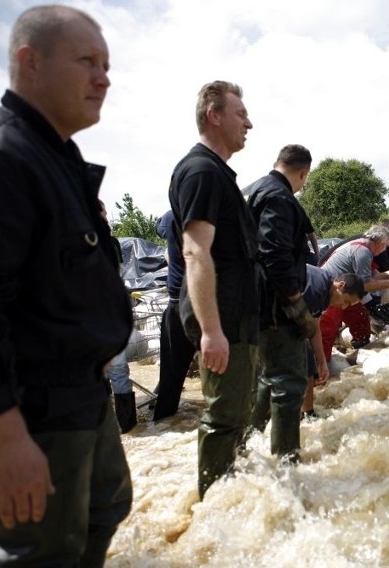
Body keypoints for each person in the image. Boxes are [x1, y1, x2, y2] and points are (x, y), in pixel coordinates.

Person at [0, 5, 133, 566]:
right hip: (31, 408)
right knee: (41, 553)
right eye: (87, 61)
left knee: (104, 510)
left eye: (107, 65)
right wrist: (4, 436)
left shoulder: (56, 159)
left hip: (81, 394)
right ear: (29, 62)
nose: (103, 78)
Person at [169, 80, 258, 498]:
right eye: (241, 114)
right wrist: (211, 331)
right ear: (214, 115)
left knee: (239, 414)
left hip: (236, 318)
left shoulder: (218, 173)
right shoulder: (202, 171)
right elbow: (195, 252)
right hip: (220, 319)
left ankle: (234, 498)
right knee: (225, 418)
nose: (249, 123)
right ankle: (215, 512)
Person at [244, 144, 317, 461]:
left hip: (258, 305)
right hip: (275, 308)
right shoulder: (279, 197)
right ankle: (288, 463)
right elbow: (274, 255)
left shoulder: (260, 189)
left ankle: (246, 442)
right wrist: (297, 304)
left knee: (268, 377)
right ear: (303, 172)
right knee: (290, 383)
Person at [319, 225, 389, 361]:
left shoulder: (364, 248)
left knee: (360, 318)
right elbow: (365, 285)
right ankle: (321, 367)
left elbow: (372, 277)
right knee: (328, 329)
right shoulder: (363, 252)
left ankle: (360, 349)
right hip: (332, 293)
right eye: (384, 246)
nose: (385, 250)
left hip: (347, 292)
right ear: (378, 243)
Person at [298, 269, 366, 419]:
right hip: (270, 319)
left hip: (289, 320)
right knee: (298, 363)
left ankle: (307, 413)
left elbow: (315, 328)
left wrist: (322, 362)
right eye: (346, 301)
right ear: (340, 285)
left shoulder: (325, 294)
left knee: (309, 362)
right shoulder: (317, 287)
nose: (343, 307)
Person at [152, 209, 197, 421]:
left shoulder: (170, 217)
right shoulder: (212, 214)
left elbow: (158, 227)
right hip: (208, 305)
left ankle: (163, 423)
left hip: (177, 305)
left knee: (171, 376)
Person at [100, 199, 137, 433]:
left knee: (112, 371)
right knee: (117, 371)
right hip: (106, 315)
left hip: (103, 315)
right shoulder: (105, 241)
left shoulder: (108, 242)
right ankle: (125, 427)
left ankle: (118, 427)